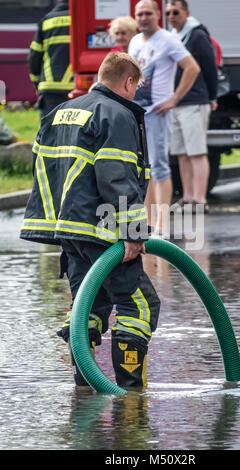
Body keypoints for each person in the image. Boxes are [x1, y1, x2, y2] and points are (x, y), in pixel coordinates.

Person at [20, 52, 160, 391]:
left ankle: (85, 386)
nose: (135, 94)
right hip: (101, 231)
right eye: (136, 87)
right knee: (139, 306)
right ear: (128, 82)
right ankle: (129, 396)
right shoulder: (118, 114)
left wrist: (60, 227)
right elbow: (117, 175)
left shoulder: (57, 113)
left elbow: (45, 174)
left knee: (90, 305)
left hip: (68, 232)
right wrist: (132, 232)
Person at [128, 0, 200, 237]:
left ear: (157, 15)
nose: (144, 18)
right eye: (140, 14)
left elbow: (192, 68)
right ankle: (147, 223)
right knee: (142, 169)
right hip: (136, 113)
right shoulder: (135, 41)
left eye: (148, 13)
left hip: (157, 113)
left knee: (159, 167)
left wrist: (173, 99)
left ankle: (162, 225)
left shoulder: (168, 40)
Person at [166, 0, 218, 214]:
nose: (171, 16)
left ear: (186, 13)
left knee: (196, 152)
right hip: (176, 103)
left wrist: (212, 96)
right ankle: (187, 198)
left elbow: (209, 68)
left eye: (176, 12)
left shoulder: (197, 36)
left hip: (195, 101)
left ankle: (200, 199)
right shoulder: (173, 36)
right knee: (182, 153)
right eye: (168, 12)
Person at [28, 0, 74, 120]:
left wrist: (36, 81)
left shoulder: (47, 20)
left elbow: (35, 56)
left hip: (51, 87)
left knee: (50, 132)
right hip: (78, 85)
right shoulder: (83, 18)